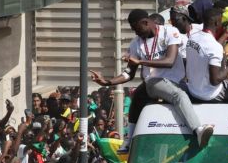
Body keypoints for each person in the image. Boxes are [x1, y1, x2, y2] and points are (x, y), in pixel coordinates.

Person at [90, 9, 214, 152]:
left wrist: (141, 61)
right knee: (177, 95)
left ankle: (129, 141)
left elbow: (170, 61)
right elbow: (129, 73)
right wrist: (107, 82)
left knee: (140, 96)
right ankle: (198, 130)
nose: (136, 33)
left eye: (137, 29)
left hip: (178, 81)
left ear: (146, 22)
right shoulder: (136, 43)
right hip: (155, 82)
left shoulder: (169, 32)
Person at [185, 8, 228, 103]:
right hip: (210, 95)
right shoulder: (214, 47)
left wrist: (225, 36)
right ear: (217, 23)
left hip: (193, 91)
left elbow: (208, 48)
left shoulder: (192, 38)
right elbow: (215, 80)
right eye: (221, 21)